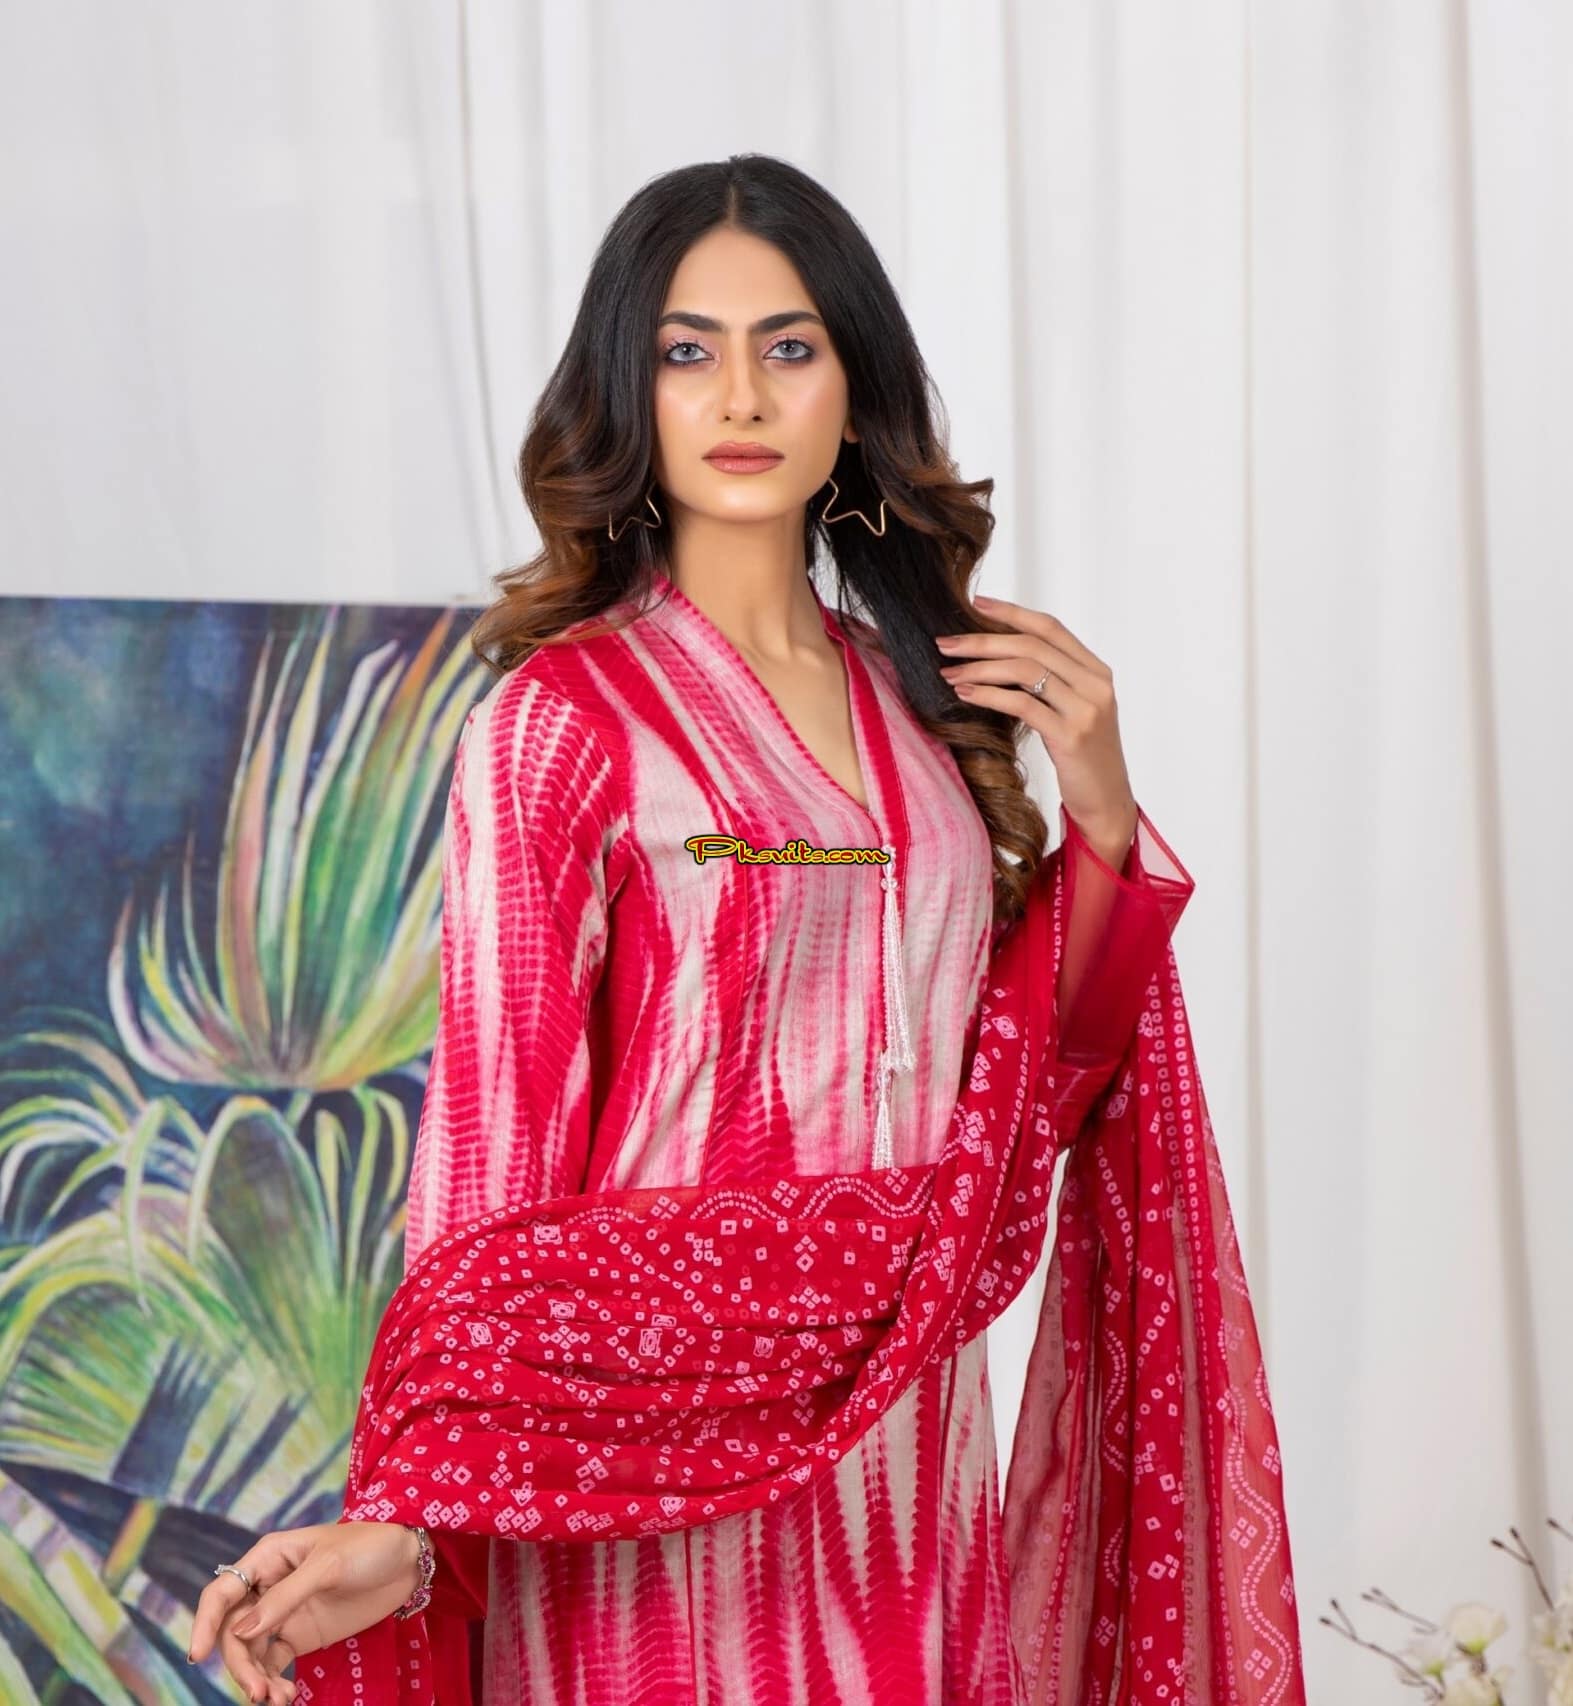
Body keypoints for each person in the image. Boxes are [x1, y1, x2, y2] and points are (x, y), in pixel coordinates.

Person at [187, 154, 1305, 1706]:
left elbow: (1021, 1105)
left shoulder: (931, 720)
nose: (740, 394)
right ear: (628, 393)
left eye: (788, 346)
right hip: (636, 1482)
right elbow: (491, 1166)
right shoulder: (559, 723)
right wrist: (408, 1508)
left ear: (853, 388)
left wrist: (1101, 818)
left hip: (904, 1465)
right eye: (684, 350)